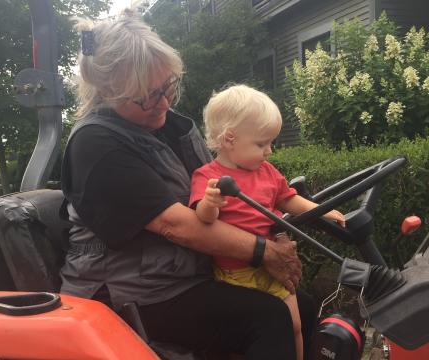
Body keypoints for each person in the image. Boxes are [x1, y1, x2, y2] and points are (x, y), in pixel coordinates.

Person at [60, 12, 315, 359]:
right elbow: (175, 224)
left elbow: (224, 192)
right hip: (132, 293)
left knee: (306, 305)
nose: (164, 103)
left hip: (185, 275)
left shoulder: (169, 126)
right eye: (148, 97)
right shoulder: (96, 145)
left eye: (168, 87)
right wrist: (264, 251)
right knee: (269, 318)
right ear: (108, 92)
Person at [189, 84, 346, 360]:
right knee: (268, 324)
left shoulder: (267, 172)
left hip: (271, 266)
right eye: (262, 144)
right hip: (234, 274)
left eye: (270, 143)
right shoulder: (207, 177)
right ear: (229, 140)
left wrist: (322, 210)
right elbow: (202, 220)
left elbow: (289, 199)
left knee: (295, 324)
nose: (269, 151)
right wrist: (210, 204)